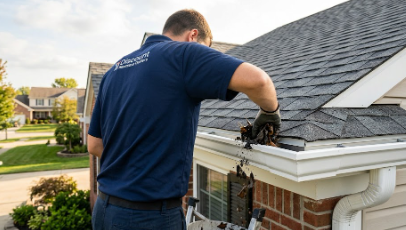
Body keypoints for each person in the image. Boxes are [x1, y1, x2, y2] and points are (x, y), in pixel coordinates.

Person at [88, 9, 280, 230]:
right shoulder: (183, 53)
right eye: (206, 48)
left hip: (104, 210)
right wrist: (270, 113)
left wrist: (133, 159)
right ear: (192, 36)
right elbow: (259, 81)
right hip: (147, 218)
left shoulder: (115, 70)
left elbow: (94, 144)